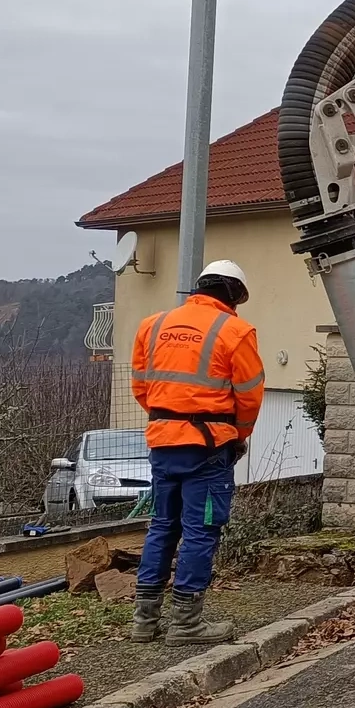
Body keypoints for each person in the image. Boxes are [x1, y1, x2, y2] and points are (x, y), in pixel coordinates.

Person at [128, 260, 265, 645]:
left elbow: (141, 386)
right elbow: (250, 396)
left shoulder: (151, 325)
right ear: (235, 295)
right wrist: (237, 437)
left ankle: (144, 621)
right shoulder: (235, 331)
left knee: (161, 526)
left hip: (162, 440)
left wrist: (168, 419)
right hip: (208, 446)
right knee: (200, 531)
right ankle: (186, 623)